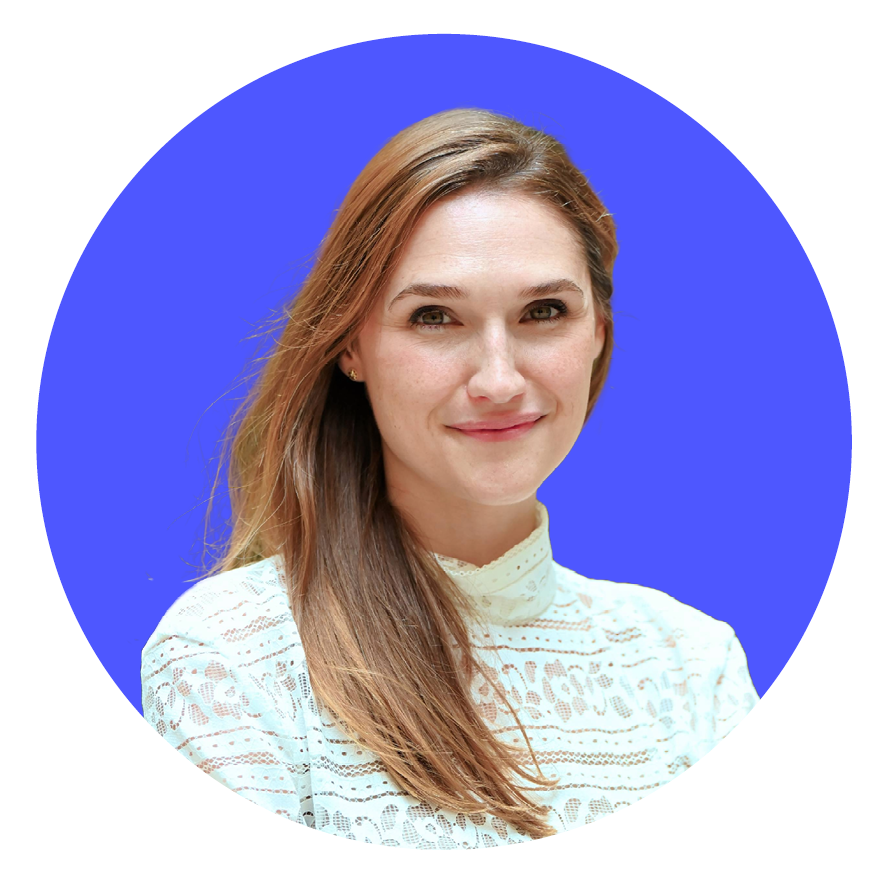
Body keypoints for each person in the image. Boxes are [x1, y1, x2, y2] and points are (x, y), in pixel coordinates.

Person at [141, 108, 758, 848]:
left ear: (599, 330)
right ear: (350, 344)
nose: (499, 380)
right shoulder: (229, 660)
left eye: (544, 311)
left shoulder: (693, 668)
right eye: (435, 316)